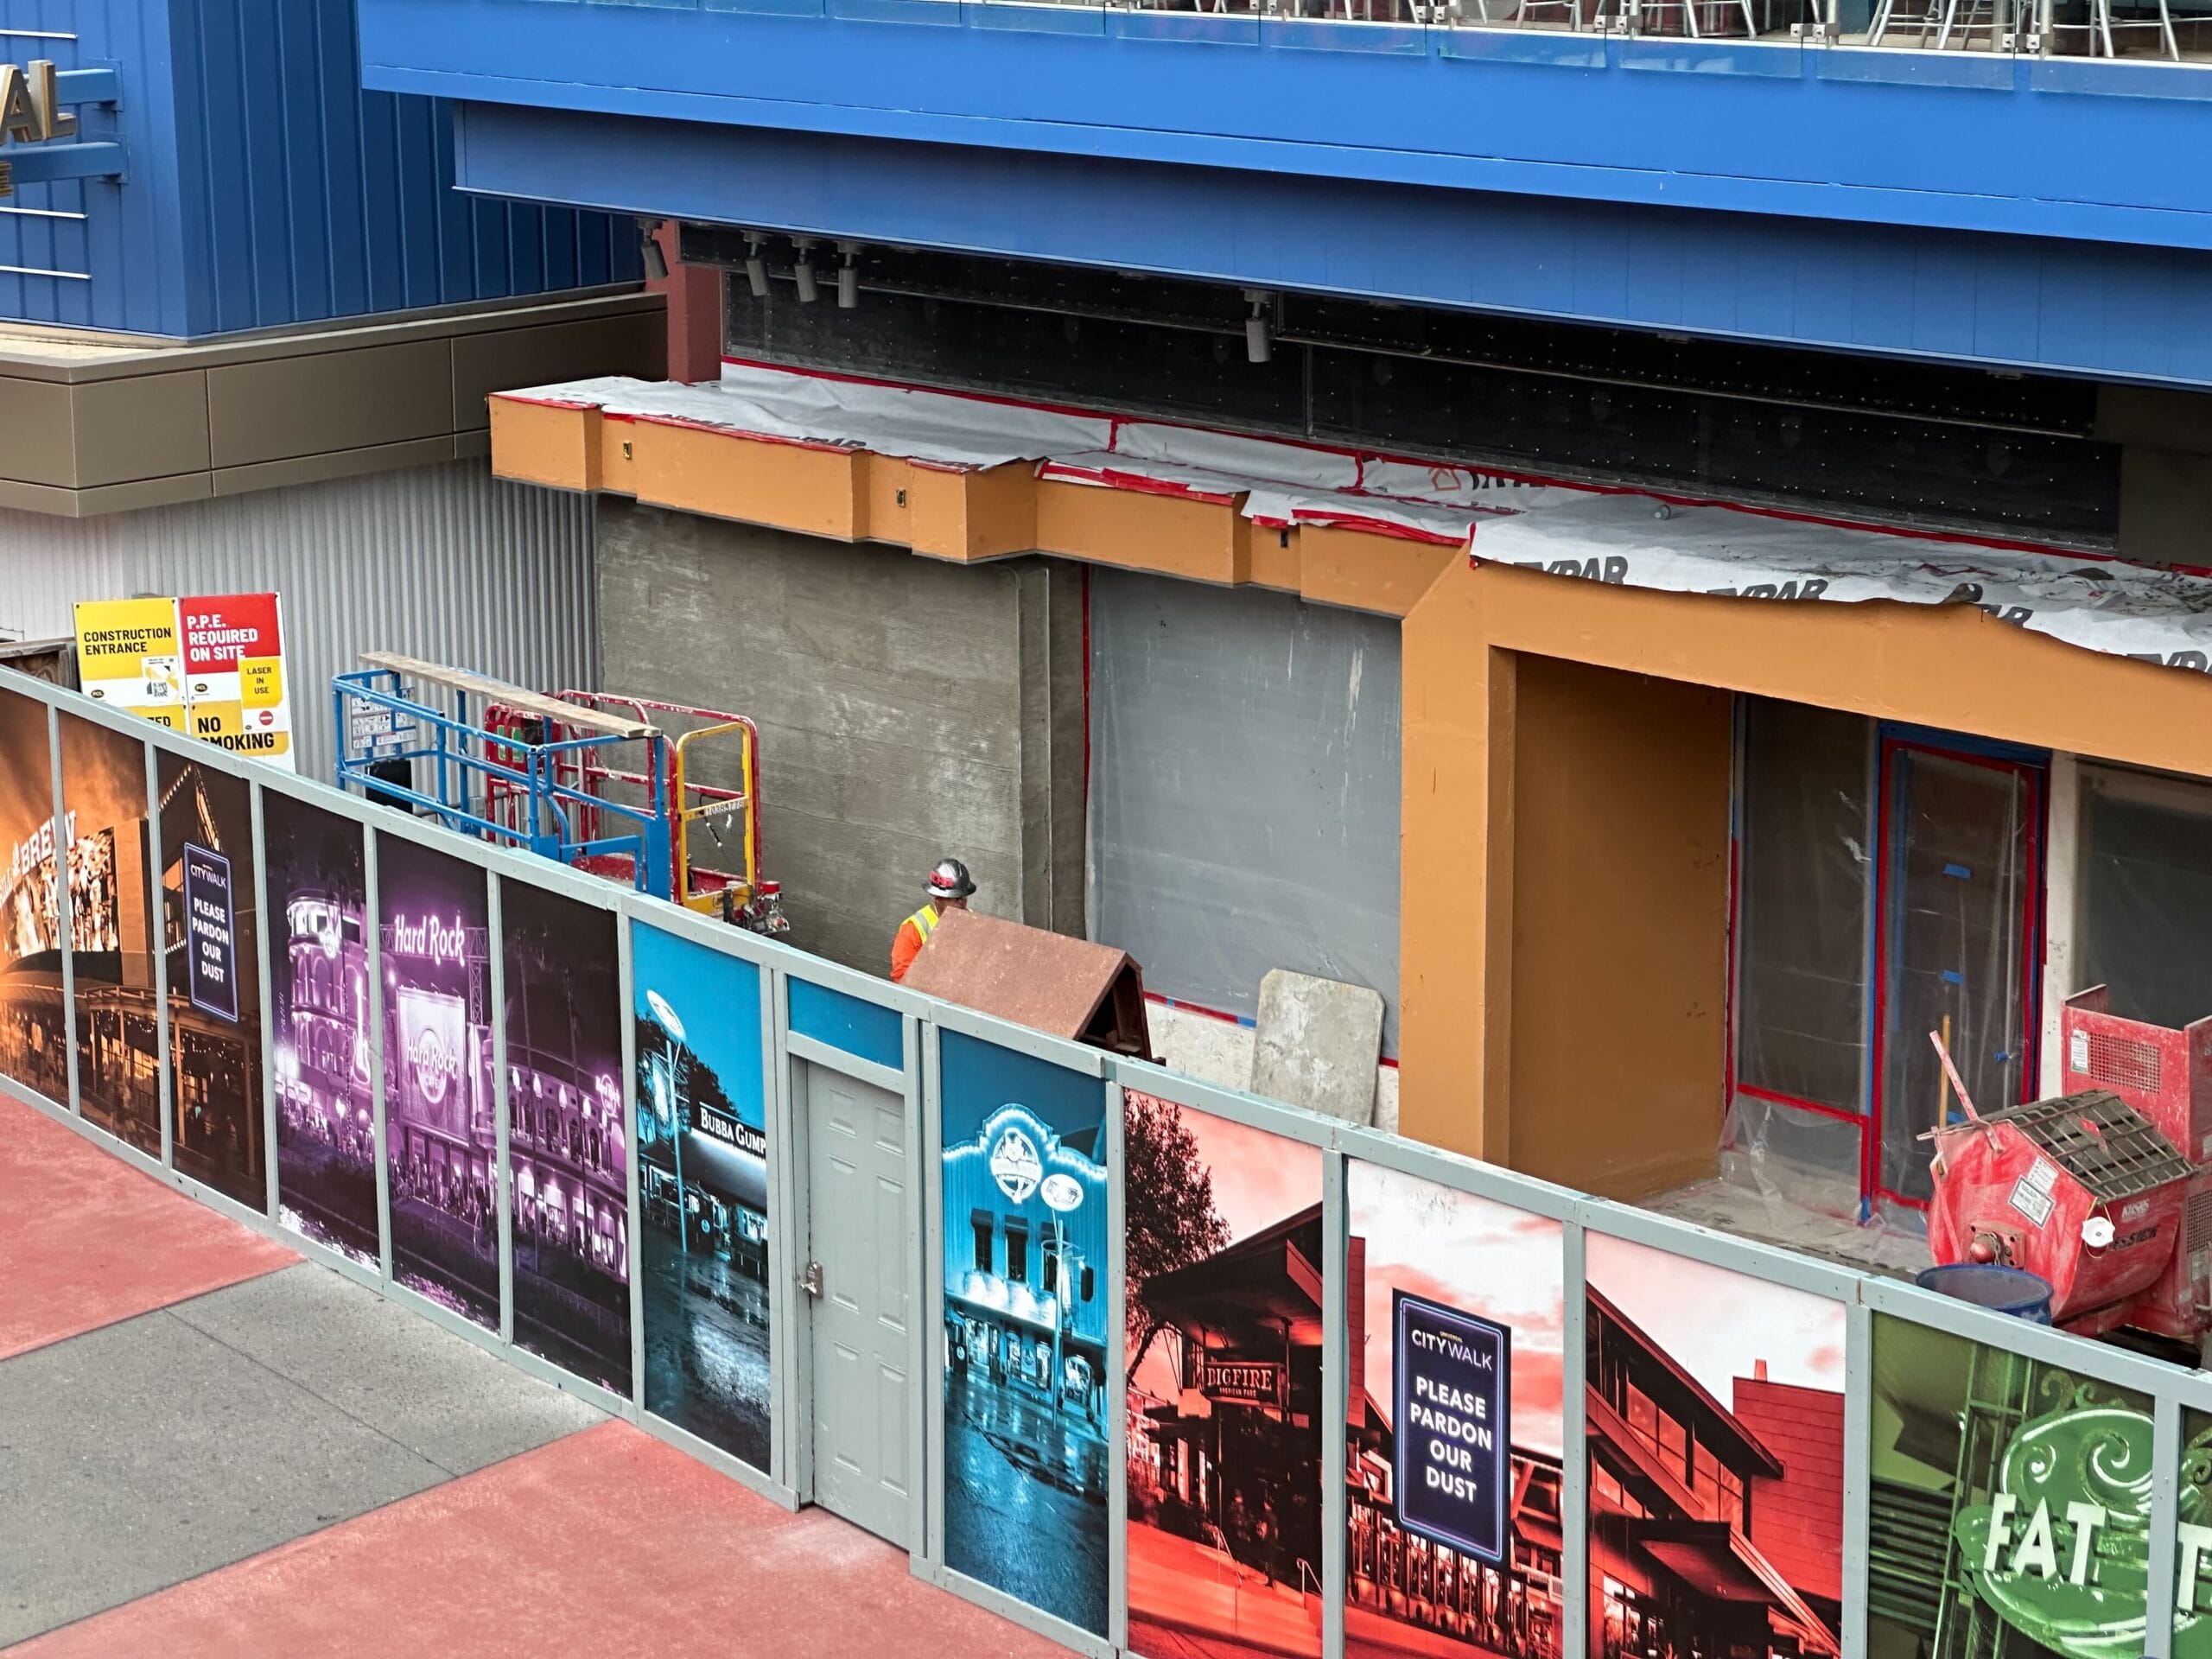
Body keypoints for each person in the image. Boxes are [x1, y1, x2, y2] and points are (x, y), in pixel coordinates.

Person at [890, 858, 975, 982]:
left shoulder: (973, 921)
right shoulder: (914, 929)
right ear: (936, 896)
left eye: (963, 897)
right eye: (955, 898)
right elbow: (902, 978)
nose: (961, 902)